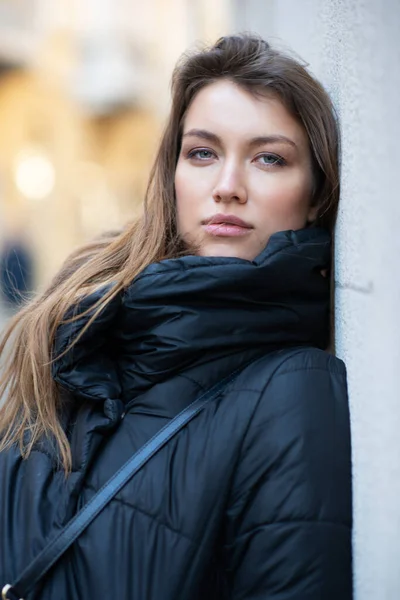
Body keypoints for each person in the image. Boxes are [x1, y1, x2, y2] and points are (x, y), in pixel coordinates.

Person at [0, 35, 352, 599]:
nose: (227, 188)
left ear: (314, 196)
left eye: (269, 158)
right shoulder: (81, 328)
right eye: (203, 153)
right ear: (172, 174)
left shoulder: (294, 389)